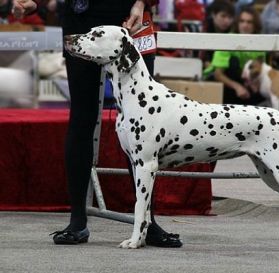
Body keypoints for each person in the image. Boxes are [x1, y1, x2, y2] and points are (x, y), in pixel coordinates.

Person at [13, 0, 182, 247]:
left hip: (134, 20)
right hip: (82, 18)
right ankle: (77, 221)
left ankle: (147, 223)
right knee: (82, 117)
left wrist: (142, 3)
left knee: (142, 121)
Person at [207, 7, 266, 105]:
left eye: (249, 22)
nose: (245, 25)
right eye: (242, 21)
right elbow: (218, 74)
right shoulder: (228, 39)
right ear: (237, 23)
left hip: (244, 80)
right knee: (233, 62)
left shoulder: (260, 43)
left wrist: (254, 84)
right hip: (220, 81)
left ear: (255, 25)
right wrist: (237, 87)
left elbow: (259, 71)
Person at [201, 0, 235, 69]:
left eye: (230, 17)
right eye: (223, 16)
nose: (227, 21)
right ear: (213, 15)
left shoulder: (234, 30)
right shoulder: (204, 28)